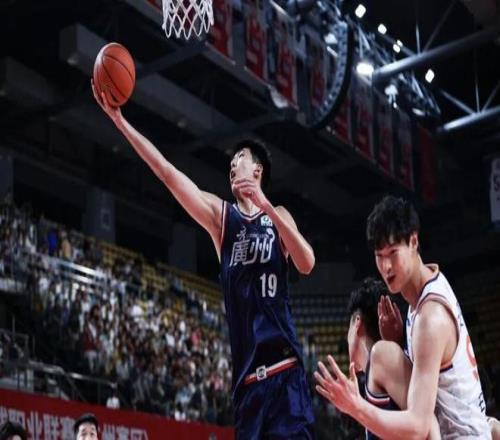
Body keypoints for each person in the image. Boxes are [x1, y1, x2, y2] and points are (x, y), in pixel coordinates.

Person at [92, 83, 316, 438]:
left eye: (239, 159)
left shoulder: (279, 216)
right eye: (230, 164)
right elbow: (166, 171)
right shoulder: (221, 218)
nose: (232, 166)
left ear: (257, 170)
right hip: (248, 385)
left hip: (285, 372)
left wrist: (266, 206)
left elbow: (306, 263)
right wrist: (120, 122)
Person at [315, 195, 491, 439]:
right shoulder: (427, 289)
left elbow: (419, 427)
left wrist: (355, 406)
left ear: (413, 241)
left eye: (392, 253)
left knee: (381, 355)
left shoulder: (430, 317)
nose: (386, 266)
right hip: (469, 429)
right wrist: (401, 341)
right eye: (379, 255)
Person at [344, 277, 441, 440]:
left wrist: (357, 408)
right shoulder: (377, 369)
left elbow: (428, 424)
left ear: (356, 324)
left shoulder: (381, 354)